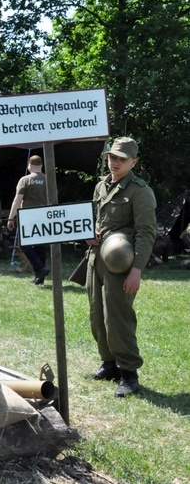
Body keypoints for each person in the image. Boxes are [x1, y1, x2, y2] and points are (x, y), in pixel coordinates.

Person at [85, 137, 156, 397]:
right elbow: (96, 220)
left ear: (133, 162)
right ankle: (109, 365)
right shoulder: (100, 186)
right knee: (97, 317)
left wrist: (137, 270)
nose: (114, 162)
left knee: (118, 319)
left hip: (122, 265)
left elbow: (146, 233)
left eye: (121, 159)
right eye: (112, 157)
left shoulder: (140, 191)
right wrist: (88, 233)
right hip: (96, 259)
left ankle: (129, 373)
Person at [7, 155, 50, 284]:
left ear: (29, 165)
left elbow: (17, 200)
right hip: (44, 215)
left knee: (24, 244)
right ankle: (40, 276)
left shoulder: (25, 180)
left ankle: (40, 268)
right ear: (41, 165)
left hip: (28, 216)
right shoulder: (48, 179)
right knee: (40, 245)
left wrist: (11, 218)